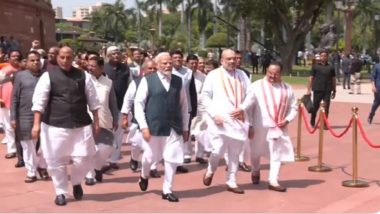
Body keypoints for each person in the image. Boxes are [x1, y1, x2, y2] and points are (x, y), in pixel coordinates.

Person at [31, 46, 100, 206]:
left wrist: (97, 122)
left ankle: (76, 182)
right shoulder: (48, 76)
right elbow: (39, 102)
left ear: (73, 57)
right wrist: (36, 125)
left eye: (68, 57)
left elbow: (94, 101)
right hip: (55, 125)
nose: (65, 60)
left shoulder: (84, 76)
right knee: (56, 161)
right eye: (62, 57)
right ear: (57, 58)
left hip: (81, 124)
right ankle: (61, 191)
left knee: (84, 158)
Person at [232, 62, 297, 192]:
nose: (272, 76)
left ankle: (273, 180)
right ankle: (255, 170)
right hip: (259, 125)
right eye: (270, 73)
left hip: (278, 127)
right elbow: (249, 107)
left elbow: (293, 107)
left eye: (276, 74)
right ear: (266, 71)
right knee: (256, 152)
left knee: (277, 152)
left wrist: (287, 119)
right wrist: (249, 125)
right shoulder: (256, 87)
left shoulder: (287, 89)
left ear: (281, 73)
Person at [134, 52, 189, 202]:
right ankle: (144, 175)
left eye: (170, 63)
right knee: (150, 157)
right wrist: (143, 126)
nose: (168, 65)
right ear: (157, 65)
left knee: (172, 158)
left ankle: (167, 189)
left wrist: (185, 127)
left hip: (174, 126)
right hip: (154, 127)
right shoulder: (148, 81)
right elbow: (138, 104)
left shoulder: (179, 81)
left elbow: (184, 105)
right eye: (164, 63)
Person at [201, 49, 251, 194]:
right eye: (228, 59)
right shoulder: (213, 75)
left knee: (235, 153)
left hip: (237, 119)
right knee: (218, 150)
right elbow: (204, 97)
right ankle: (211, 170)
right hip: (220, 120)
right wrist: (213, 114)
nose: (232, 61)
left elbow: (250, 94)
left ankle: (232, 181)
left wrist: (243, 107)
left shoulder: (242, 75)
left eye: (234, 59)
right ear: (222, 60)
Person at [10, 51, 50, 183]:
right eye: (32, 60)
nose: (35, 62)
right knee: (28, 144)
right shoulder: (20, 76)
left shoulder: (46, 76)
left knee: (46, 144)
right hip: (25, 115)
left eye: (38, 60)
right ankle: (31, 171)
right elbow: (14, 98)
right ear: (26, 62)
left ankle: (42, 166)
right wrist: (13, 117)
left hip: (45, 115)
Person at [121, 59, 161, 178]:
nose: (152, 70)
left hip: (156, 120)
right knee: (136, 144)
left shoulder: (162, 83)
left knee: (155, 145)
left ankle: (153, 167)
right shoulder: (136, 83)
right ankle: (134, 159)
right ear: (143, 70)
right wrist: (124, 116)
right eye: (150, 68)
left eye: (155, 68)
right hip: (138, 120)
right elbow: (128, 100)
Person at [84, 56, 119, 186]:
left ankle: (97, 167)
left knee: (106, 148)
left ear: (101, 67)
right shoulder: (85, 80)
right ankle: (90, 174)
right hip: (87, 120)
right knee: (89, 148)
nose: (90, 68)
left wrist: (116, 118)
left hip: (105, 119)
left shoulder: (108, 82)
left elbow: (113, 103)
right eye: (89, 65)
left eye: (93, 66)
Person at [103, 46, 132, 170]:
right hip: (106, 106)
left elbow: (130, 85)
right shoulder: (103, 68)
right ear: (108, 55)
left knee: (118, 134)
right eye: (113, 53)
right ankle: (102, 160)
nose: (116, 55)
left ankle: (114, 160)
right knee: (105, 134)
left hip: (121, 105)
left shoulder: (126, 69)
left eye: (118, 53)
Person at [171, 50, 197, 170]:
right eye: (175, 57)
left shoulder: (188, 72)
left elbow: (192, 91)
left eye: (179, 57)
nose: (177, 59)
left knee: (184, 134)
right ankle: (170, 159)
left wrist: (194, 108)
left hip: (186, 108)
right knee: (172, 135)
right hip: (171, 108)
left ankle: (180, 160)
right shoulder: (167, 71)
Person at [0, 50, 23, 166]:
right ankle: (12, 150)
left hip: (20, 103)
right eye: (13, 56)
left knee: (20, 128)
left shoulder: (24, 70)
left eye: (17, 56)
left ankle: (22, 152)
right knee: (8, 128)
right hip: (5, 102)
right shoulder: (5, 70)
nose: (15, 58)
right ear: (8, 58)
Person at [306, 50, 336, 127]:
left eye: (325, 56)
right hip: (317, 89)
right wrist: (308, 89)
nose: (323, 57)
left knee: (326, 107)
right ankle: (313, 119)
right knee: (315, 106)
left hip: (327, 89)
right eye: (322, 55)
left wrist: (334, 90)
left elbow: (333, 79)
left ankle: (325, 123)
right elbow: (311, 78)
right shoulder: (315, 66)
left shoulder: (331, 67)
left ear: (327, 57)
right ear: (320, 56)